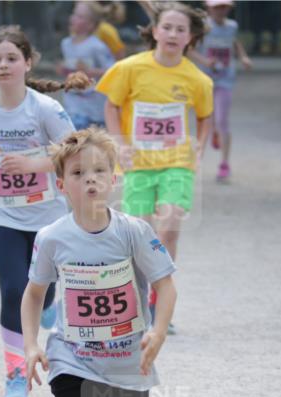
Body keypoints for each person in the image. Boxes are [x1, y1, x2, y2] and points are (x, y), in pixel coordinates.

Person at [21, 127, 177, 397]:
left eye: (99, 171)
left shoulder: (132, 232)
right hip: (73, 355)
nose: (90, 179)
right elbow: (34, 295)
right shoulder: (52, 237)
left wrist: (159, 331)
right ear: (61, 184)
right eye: (78, 172)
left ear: (113, 179)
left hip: (128, 359)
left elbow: (165, 285)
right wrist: (32, 344)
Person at [0, 25, 89, 397]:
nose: (4, 65)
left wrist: (33, 163)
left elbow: (73, 151)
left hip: (47, 216)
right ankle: (16, 375)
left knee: (42, 286)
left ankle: (47, 303)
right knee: (13, 289)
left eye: (12, 58)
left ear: (28, 63)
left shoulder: (44, 108)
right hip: (1, 213)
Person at [96, 1, 211, 331]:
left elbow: (204, 117)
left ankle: (160, 301)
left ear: (190, 37)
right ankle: (138, 296)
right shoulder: (130, 68)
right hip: (140, 165)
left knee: (170, 224)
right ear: (155, 31)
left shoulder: (197, 79)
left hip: (177, 163)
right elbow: (112, 107)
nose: (173, 34)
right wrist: (119, 144)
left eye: (181, 29)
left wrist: (199, 143)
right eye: (168, 27)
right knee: (137, 234)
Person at [190, 0, 251, 182]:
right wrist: (205, 62)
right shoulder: (202, 27)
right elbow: (189, 49)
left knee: (223, 120)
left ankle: (224, 164)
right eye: (217, 7)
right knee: (205, 121)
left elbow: (234, 42)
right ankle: (199, 157)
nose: (221, 10)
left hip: (225, 79)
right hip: (204, 81)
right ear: (208, 7)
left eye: (224, 7)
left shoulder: (232, 26)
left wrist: (243, 57)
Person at [59, 2, 115, 130]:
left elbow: (112, 71)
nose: (73, 18)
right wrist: (63, 69)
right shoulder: (66, 44)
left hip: (93, 106)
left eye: (80, 16)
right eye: (74, 14)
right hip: (73, 102)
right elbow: (71, 69)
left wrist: (90, 71)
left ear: (90, 25)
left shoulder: (97, 46)